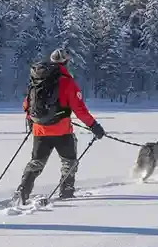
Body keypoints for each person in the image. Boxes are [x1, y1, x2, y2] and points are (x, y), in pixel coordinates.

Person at [16, 48, 105, 203]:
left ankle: (22, 192)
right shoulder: (67, 81)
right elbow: (79, 109)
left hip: (39, 130)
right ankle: (66, 192)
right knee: (69, 162)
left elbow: (26, 105)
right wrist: (94, 126)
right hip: (62, 130)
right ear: (66, 62)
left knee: (36, 163)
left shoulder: (37, 79)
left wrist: (32, 121)